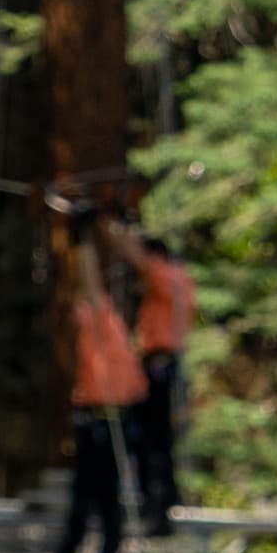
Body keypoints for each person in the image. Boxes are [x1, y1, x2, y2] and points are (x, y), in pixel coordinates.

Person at [48, 216, 147, 553]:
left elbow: (88, 284)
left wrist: (82, 238)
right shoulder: (109, 333)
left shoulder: (105, 325)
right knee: (96, 496)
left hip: (108, 424)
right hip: (99, 421)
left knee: (96, 496)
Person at [105, 219, 196, 535]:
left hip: (160, 365)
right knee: (158, 442)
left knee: (150, 442)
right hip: (167, 365)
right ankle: (160, 506)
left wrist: (115, 225)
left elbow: (136, 258)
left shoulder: (165, 274)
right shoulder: (181, 277)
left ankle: (156, 511)